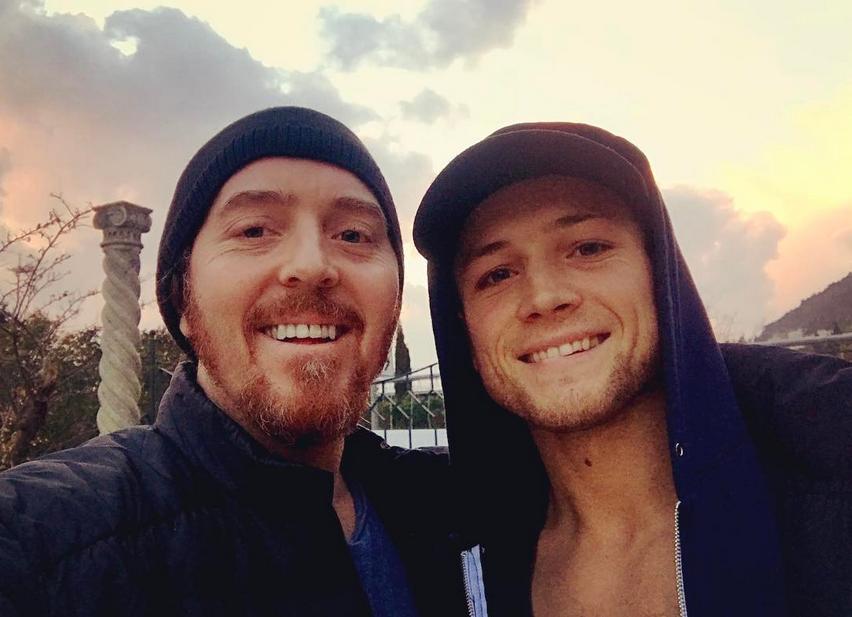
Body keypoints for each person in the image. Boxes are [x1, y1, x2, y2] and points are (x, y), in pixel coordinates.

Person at [0, 107, 466, 617]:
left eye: (353, 235)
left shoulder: (459, 510)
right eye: (254, 230)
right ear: (182, 297)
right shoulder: (46, 541)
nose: (312, 265)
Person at [413, 122, 852, 617]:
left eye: (588, 248)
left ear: (659, 275)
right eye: (497, 275)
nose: (545, 296)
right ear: (466, 334)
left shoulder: (828, 482)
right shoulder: (434, 555)